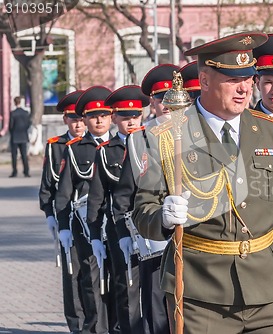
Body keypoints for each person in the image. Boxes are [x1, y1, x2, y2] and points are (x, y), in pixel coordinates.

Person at [132, 31, 273, 334]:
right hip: (201, 293)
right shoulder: (167, 137)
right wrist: (162, 218)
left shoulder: (269, 131)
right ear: (205, 80)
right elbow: (143, 211)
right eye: (233, 80)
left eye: (248, 78)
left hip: (269, 289)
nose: (244, 88)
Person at [113, 63, 179, 334]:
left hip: (193, 236)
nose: (166, 104)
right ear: (151, 102)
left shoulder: (198, 134)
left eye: (171, 97)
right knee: (156, 310)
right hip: (154, 236)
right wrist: (124, 233)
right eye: (160, 99)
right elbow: (124, 193)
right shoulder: (139, 139)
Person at [86, 85, 149, 334]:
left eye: (135, 116)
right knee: (127, 287)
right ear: (115, 117)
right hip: (121, 228)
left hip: (152, 224)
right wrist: (94, 236)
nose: (131, 121)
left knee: (154, 286)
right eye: (124, 116)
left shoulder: (151, 144)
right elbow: (97, 198)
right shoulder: (106, 152)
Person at [55, 86, 114, 334]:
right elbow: (64, 192)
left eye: (103, 114)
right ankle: (94, 329)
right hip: (87, 225)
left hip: (117, 223)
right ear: (85, 119)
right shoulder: (76, 148)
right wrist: (63, 226)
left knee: (121, 282)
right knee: (91, 280)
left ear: (111, 116)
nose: (98, 120)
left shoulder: (123, 144)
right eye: (92, 116)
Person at [39, 90, 86, 334]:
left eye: (81, 118)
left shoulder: (92, 145)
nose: (78, 124)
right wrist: (49, 214)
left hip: (91, 218)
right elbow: (48, 184)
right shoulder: (55, 146)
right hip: (66, 215)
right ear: (65, 120)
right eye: (73, 119)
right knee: (72, 272)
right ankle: (76, 324)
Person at [8, 96, 31, 177]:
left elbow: (10, 126)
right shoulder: (25, 113)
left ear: (14, 102)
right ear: (20, 102)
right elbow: (28, 124)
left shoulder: (13, 113)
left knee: (14, 155)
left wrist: (12, 132)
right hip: (24, 136)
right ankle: (26, 171)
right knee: (24, 155)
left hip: (15, 137)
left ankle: (14, 172)